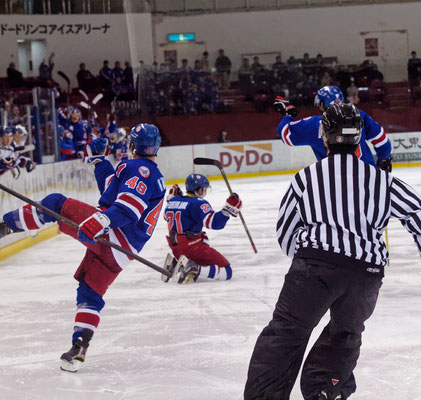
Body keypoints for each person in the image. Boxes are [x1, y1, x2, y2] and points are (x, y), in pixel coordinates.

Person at [244, 103, 421, 400]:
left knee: (286, 333)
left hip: (314, 268)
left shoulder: (306, 178)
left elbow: (286, 230)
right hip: (365, 275)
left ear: (324, 135)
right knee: (345, 336)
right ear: (358, 138)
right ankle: (326, 389)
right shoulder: (381, 180)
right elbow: (417, 213)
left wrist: (306, 260)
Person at [0, 123, 166, 372]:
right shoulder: (147, 172)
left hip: (113, 235)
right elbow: (113, 191)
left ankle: (4, 227)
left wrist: (102, 221)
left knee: (55, 204)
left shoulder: (139, 168)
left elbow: (128, 208)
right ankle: (79, 347)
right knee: (89, 294)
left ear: (132, 145)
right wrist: (101, 161)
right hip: (122, 253)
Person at [273, 85, 392, 171]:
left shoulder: (315, 124)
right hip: (368, 178)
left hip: (334, 183)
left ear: (322, 104)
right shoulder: (359, 115)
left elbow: (285, 134)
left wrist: (288, 115)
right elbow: (381, 139)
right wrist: (384, 159)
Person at [161, 174, 241, 284]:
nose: (204, 192)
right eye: (204, 189)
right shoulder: (198, 203)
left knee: (201, 260)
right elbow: (214, 223)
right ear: (199, 190)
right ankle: (194, 268)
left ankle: (177, 265)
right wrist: (227, 210)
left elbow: (166, 217)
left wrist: (173, 199)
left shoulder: (172, 201)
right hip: (193, 248)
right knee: (227, 272)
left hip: (176, 249)